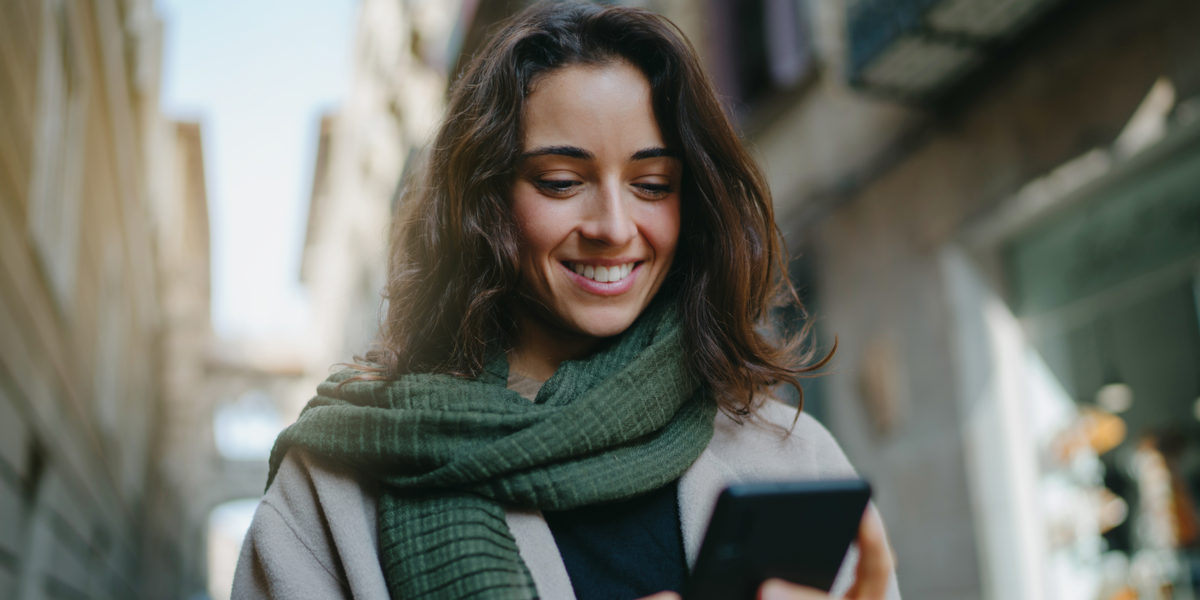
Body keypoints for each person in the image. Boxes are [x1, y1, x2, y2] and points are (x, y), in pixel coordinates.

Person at [232, 3, 901, 599]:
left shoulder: (790, 459)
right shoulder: (331, 492)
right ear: (484, 202)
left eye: (651, 183)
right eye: (560, 181)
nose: (613, 225)